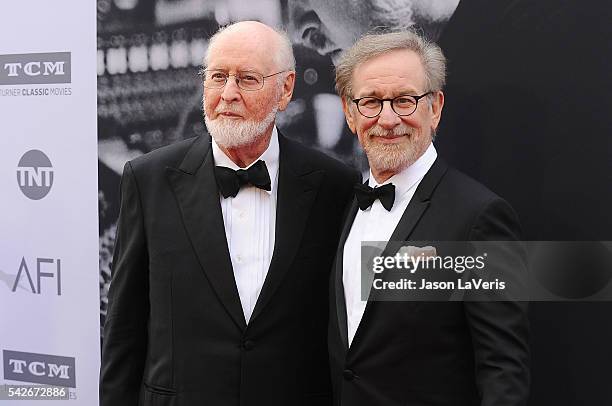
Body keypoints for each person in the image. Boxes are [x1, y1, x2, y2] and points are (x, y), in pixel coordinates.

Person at [100, 20, 359, 406]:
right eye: (218, 77)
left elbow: (349, 333)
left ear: (285, 89)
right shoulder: (148, 179)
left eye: (248, 79)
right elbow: (123, 335)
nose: (228, 94)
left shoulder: (336, 186)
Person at [329, 30, 530, 406]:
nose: (387, 120)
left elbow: (503, 371)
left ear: (435, 108)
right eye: (370, 102)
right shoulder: (343, 205)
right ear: (350, 113)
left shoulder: (480, 217)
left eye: (404, 100)